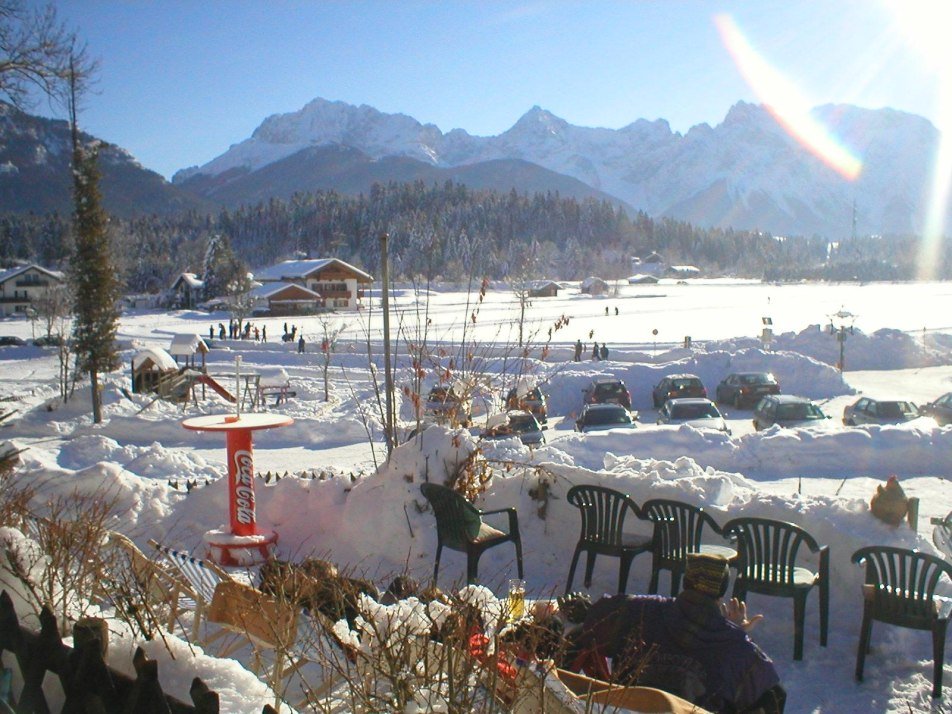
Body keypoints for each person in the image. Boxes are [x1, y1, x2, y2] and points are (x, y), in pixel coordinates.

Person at [567, 554, 783, 714]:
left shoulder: (640, 610)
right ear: (722, 591)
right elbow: (772, 693)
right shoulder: (738, 647)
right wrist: (737, 635)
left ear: (685, 581)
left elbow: (593, 622)